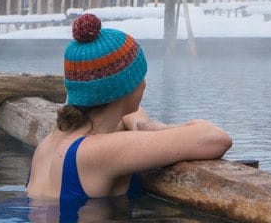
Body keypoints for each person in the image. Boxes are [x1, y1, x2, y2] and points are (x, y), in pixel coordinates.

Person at [26, 13, 232, 212]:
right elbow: (215, 138)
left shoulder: (56, 139)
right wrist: (153, 128)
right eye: (141, 76)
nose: (144, 84)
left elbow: (129, 115)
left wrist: (141, 126)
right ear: (126, 87)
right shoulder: (96, 151)